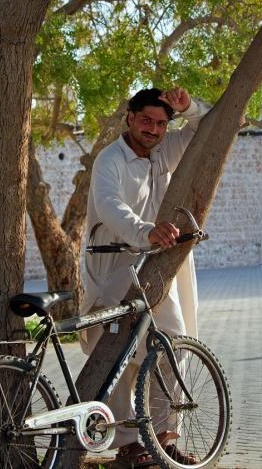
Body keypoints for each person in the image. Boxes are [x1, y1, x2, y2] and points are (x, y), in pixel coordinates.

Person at [80, 86, 210, 467]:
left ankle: (163, 438)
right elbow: (109, 204)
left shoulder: (161, 154)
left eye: (161, 123)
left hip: (155, 266)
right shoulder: (110, 159)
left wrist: (189, 107)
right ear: (130, 119)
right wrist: (145, 230)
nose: (153, 129)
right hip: (114, 268)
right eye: (146, 121)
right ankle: (130, 446)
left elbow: (206, 130)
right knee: (122, 357)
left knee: (173, 344)